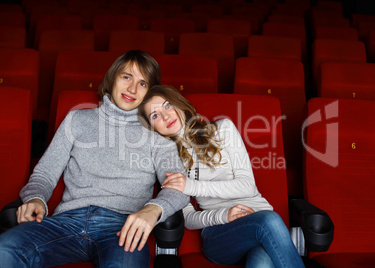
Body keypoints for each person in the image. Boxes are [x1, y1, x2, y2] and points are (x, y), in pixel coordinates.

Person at [0, 51, 189, 267]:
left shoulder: (157, 130)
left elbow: (179, 186)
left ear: (149, 92)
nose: (132, 89)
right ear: (113, 77)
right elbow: (45, 173)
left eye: (143, 83)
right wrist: (35, 198)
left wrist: (153, 209)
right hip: (65, 222)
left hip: (123, 227)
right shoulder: (77, 119)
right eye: (126, 77)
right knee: (4, 250)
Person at [139, 85, 305, 268]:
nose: (165, 116)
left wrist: (191, 186)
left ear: (179, 104)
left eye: (167, 105)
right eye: (155, 115)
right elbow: (188, 218)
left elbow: (247, 186)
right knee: (270, 220)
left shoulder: (223, 129)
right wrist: (224, 215)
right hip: (219, 235)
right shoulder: (168, 161)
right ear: (152, 127)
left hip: (259, 220)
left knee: (261, 261)